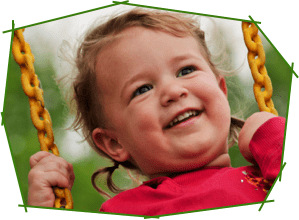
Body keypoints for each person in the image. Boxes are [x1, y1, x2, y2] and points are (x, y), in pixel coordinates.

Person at [27, 8, 285, 215]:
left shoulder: (266, 175)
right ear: (114, 142)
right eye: (142, 89)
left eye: (186, 70)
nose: (173, 91)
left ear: (221, 90)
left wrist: (273, 138)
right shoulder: (128, 209)